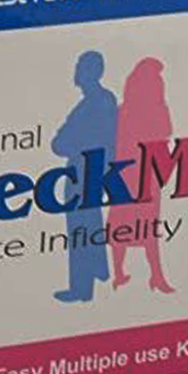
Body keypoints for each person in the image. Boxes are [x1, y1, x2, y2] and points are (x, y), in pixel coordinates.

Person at [51, 51, 118, 303]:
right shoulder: (90, 104)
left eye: (81, 66)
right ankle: (87, 284)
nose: (76, 71)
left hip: (87, 173)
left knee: (82, 230)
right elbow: (59, 143)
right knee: (83, 229)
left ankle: (82, 288)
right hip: (82, 172)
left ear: (92, 71)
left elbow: (100, 140)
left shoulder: (99, 103)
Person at [108, 57, 175, 294]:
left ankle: (147, 274)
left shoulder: (127, 111)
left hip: (142, 173)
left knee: (141, 226)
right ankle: (127, 273)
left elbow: (165, 134)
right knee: (129, 226)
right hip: (132, 172)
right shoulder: (130, 111)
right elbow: (164, 134)